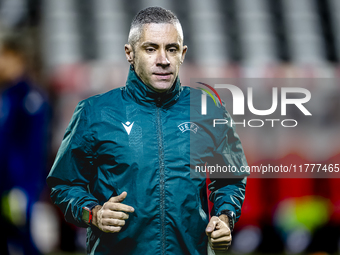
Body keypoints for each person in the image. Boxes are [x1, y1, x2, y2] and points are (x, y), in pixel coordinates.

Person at [47, 7, 249, 255]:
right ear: (130, 53)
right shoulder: (94, 112)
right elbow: (64, 184)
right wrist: (94, 213)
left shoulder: (209, 110)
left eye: (171, 49)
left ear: (183, 54)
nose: (163, 59)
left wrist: (224, 218)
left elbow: (230, 177)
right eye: (151, 48)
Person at [0, 32, 49, 254]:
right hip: (5, 183)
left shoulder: (31, 98)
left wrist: (25, 188)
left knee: (24, 242)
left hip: (18, 187)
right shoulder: (8, 95)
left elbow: (33, 150)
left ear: (17, 57)